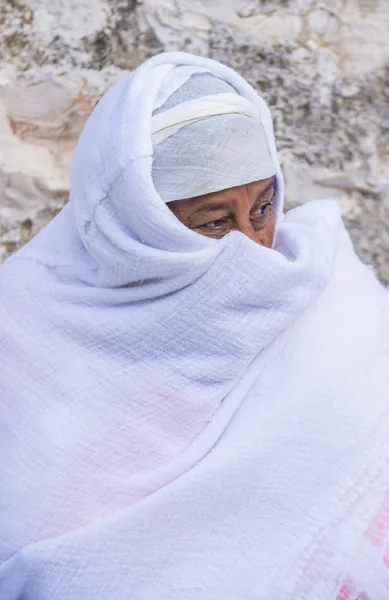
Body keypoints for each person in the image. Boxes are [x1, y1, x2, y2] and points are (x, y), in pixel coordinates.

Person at [0, 51, 389, 600]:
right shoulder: (23, 331)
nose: (255, 247)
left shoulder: (327, 292)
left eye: (263, 206)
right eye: (213, 221)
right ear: (138, 222)